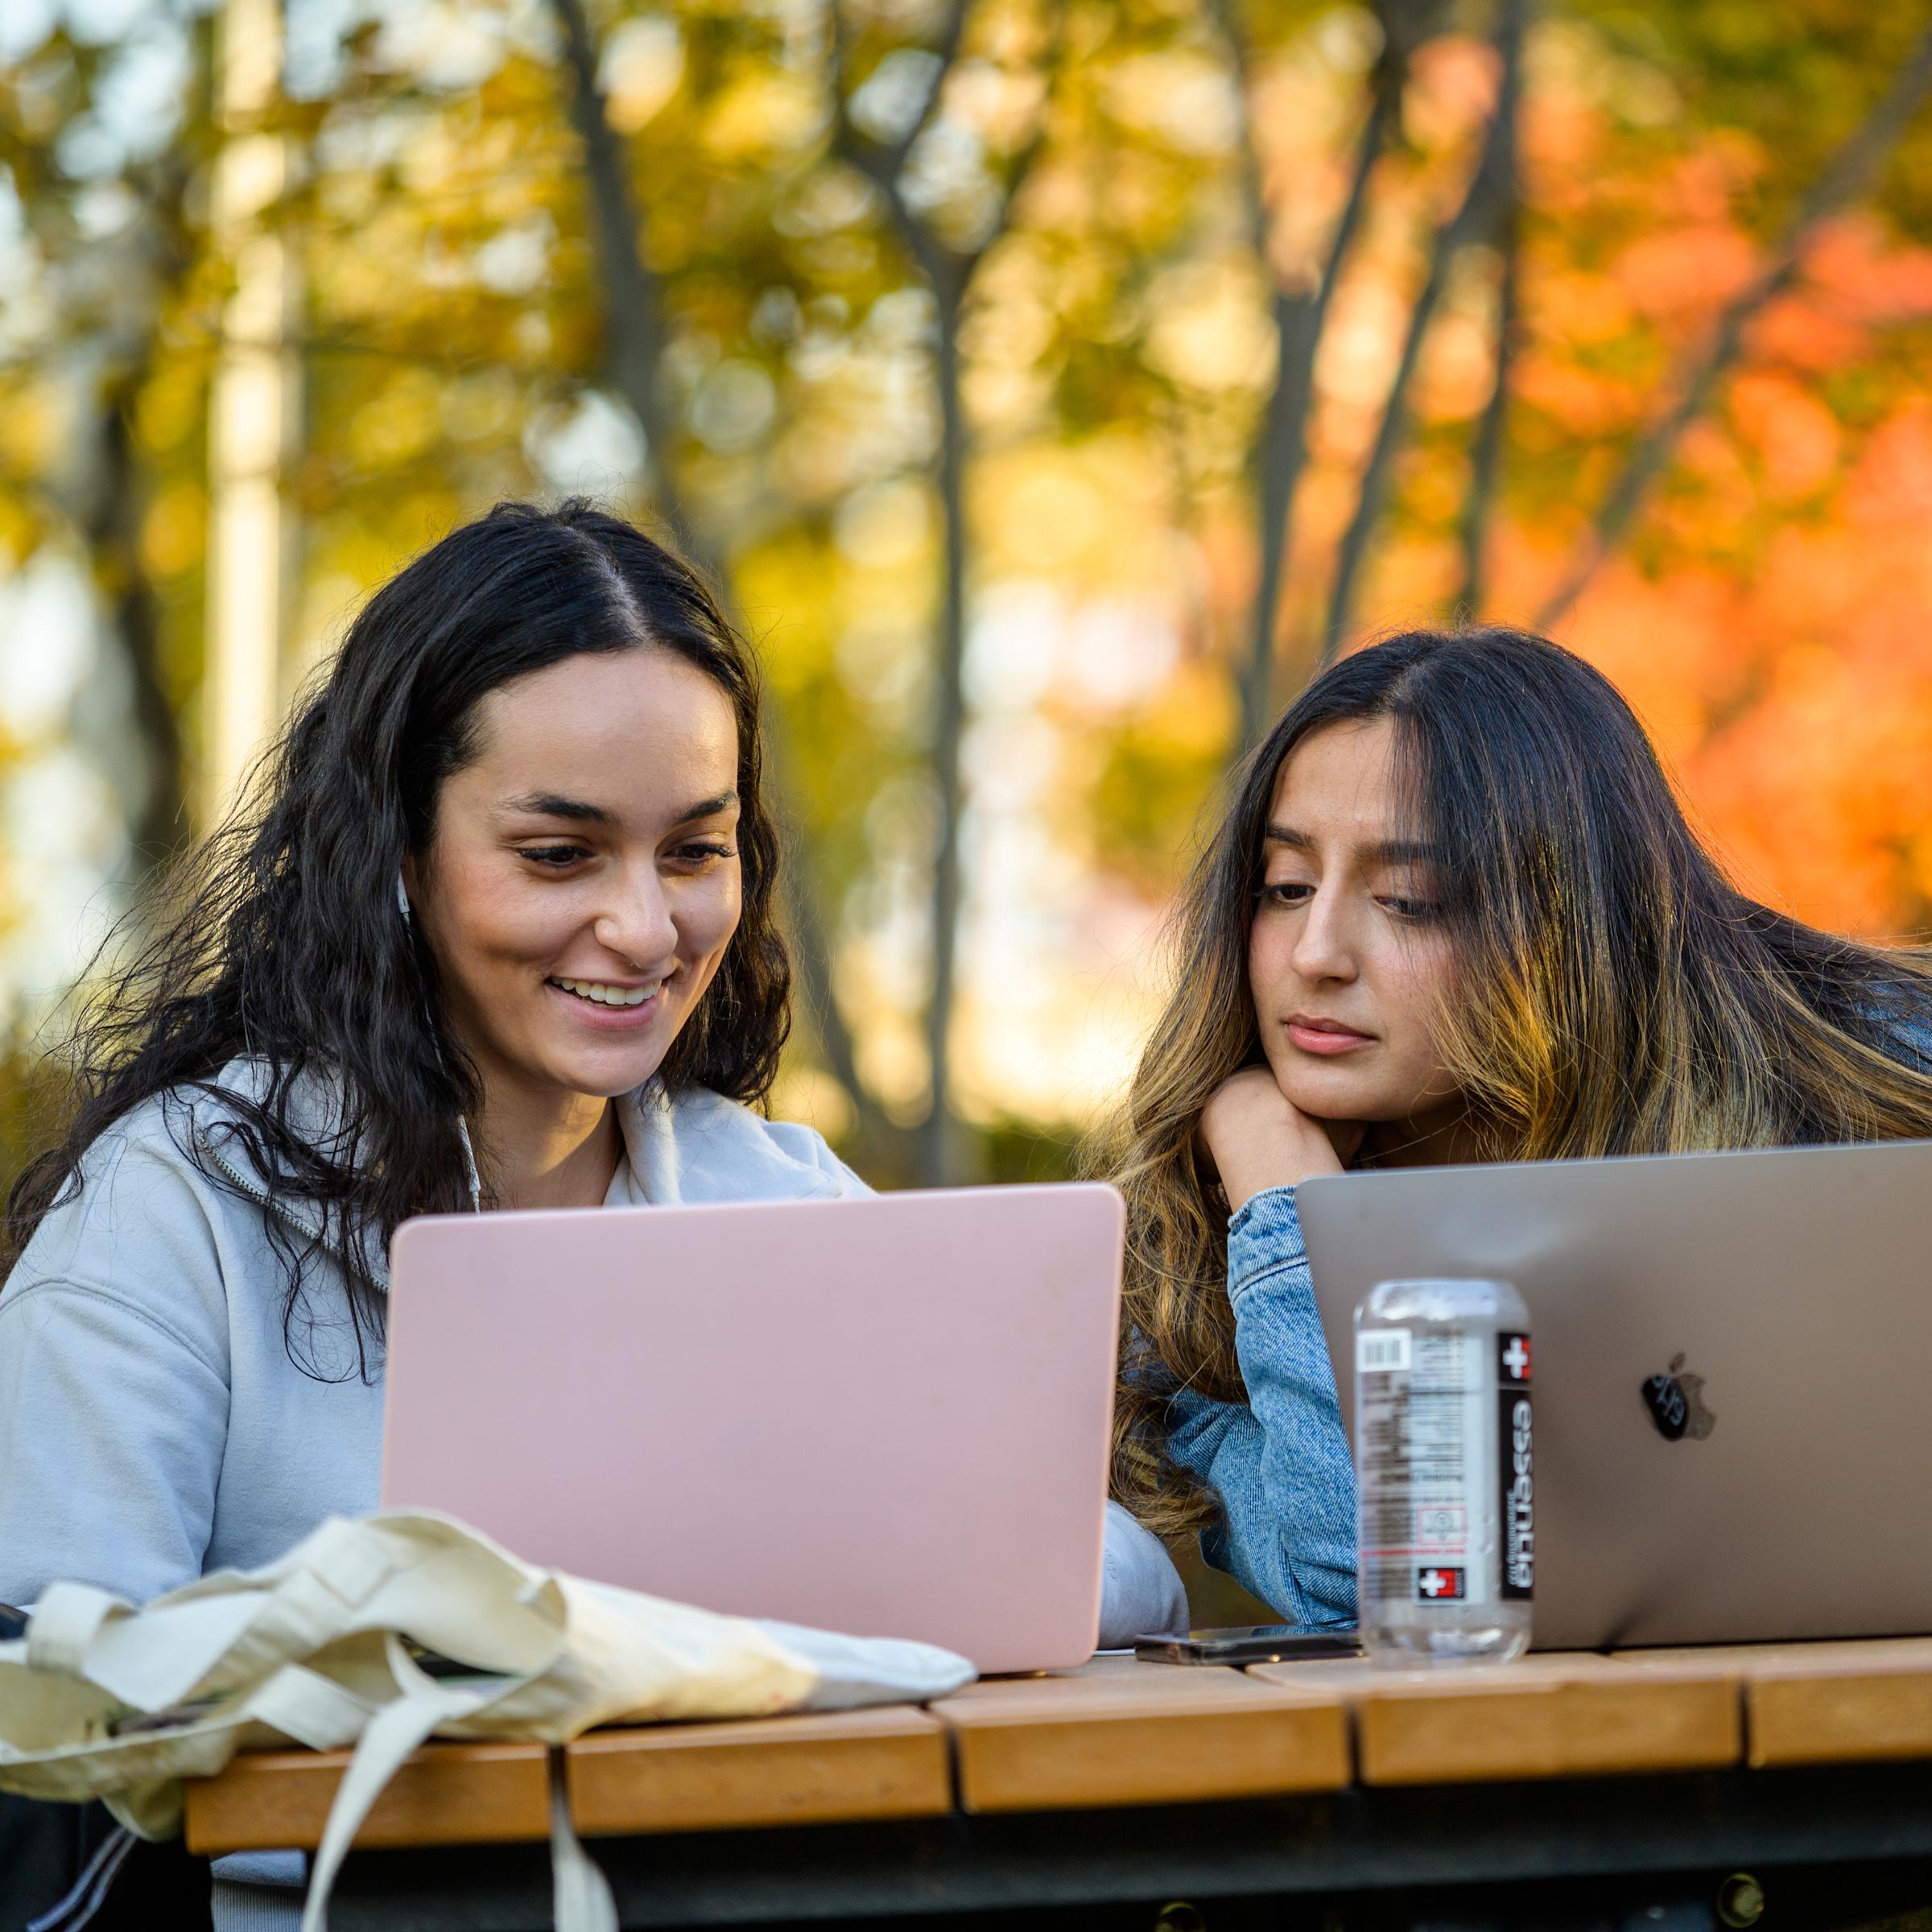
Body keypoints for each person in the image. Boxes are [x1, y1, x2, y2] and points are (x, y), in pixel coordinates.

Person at [0, 501, 1183, 1922]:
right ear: (394, 849)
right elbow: (48, 1699)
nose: (643, 927)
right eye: (560, 855)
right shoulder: (180, 1205)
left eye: (695, 851)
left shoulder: (779, 1200)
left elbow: (1106, 1570)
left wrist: (737, 1594)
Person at [1100, 625, 1932, 1629]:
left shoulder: (1876, 1073)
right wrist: (1288, 1208)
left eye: (1409, 901)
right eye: (1286, 888)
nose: (1315, 953)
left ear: (1566, 923)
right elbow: (1366, 1585)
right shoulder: (1209, 1259)